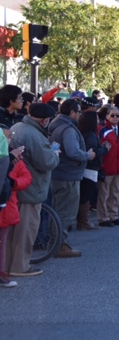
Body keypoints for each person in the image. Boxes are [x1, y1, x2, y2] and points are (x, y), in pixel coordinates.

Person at [6, 103, 59, 277]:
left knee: (12, 231)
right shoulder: (35, 135)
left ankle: (7, 264)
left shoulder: (17, 127)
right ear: (44, 120)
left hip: (15, 184)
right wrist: (55, 155)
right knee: (26, 230)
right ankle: (20, 266)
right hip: (31, 187)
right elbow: (46, 163)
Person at [48, 99, 97, 257]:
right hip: (67, 175)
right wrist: (87, 156)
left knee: (58, 210)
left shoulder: (56, 126)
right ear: (72, 112)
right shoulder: (67, 129)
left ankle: (55, 243)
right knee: (66, 211)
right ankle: (59, 245)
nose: (80, 115)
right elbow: (73, 151)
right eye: (79, 112)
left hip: (60, 173)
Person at [0, 127, 30, 288]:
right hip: (5, 202)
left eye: (9, 137)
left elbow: (26, 177)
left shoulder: (15, 159)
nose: (7, 140)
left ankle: (2, 273)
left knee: (2, 241)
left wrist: (14, 183)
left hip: (8, 204)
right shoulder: (9, 158)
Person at [97, 106, 119, 227]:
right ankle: (103, 217)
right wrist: (100, 166)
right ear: (107, 116)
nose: (115, 117)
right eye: (112, 115)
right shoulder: (102, 130)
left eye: (117, 115)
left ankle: (114, 215)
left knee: (116, 192)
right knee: (104, 194)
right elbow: (99, 149)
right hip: (107, 167)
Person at [77, 111, 110, 229]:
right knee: (86, 195)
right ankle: (83, 221)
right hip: (90, 168)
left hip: (85, 167)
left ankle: (82, 220)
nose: (98, 122)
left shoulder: (82, 133)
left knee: (84, 194)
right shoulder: (90, 136)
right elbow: (93, 153)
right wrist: (105, 149)